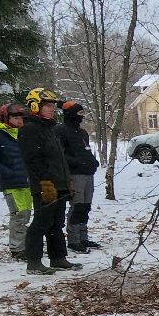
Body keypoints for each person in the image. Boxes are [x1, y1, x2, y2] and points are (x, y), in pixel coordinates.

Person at [16, 88, 80, 275]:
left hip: (58, 183)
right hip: (44, 185)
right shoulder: (29, 129)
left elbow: (59, 159)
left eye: (53, 106)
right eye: (48, 106)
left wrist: (66, 181)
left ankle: (58, 257)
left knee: (57, 223)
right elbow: (33, 160)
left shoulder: (50, 129)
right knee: (41, 222)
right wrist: (44, 182)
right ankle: (34, 261)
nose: (52, 109)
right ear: (35, 106)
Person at [0, 103, 32, 259]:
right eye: (15, 118)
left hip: (27, 181)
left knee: (26, 214)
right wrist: (7, 172)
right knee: (18, 215)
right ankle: (17, 249)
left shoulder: (23, 133)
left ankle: (25, 245)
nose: (19, 121)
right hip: (11, 183)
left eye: (20, 118)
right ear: (5, 118)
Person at [57, 99, 102, 254]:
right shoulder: (61, 131)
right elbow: (60, 155)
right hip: (75, 175)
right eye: (79, 113)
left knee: (85, 206)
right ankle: (74, 239)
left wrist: (92, 162)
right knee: (77, 206)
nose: (82, 116)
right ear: (70, 114)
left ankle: (83, 237)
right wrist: (76, 163)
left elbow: (86, 150)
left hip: (88, 174)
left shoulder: (82, 132)